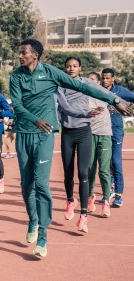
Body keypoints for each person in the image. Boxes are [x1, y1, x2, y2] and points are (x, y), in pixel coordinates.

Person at [9, 38, 132, 258]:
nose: (20, 56)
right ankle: (33, 221)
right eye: (20, 52)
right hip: (24, 133)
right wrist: (34, 119)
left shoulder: (51, 73)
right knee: (27, 185)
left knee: (42, 183)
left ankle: (44, 235)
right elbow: (17, 104)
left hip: (45, 134)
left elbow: (83, 86)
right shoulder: (16, 75)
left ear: (35, 55)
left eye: (23, 52)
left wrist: (114, 101)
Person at [56, 57, 117, 233]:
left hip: (84, 132)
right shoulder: (61, 86)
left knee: (84, 173)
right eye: (68, 66)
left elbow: (105, 92)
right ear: (64, 69)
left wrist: (120, 102)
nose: (71, 68)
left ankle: (83, 217)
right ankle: (70, 201)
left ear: (80, 68)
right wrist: (86, 112)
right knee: (68, 173)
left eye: (74, 66)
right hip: (67, 133)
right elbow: (66, 108)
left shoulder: (85, 84)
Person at [101, 68, 134, 207]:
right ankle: (109, 190)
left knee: (116, 161)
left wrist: (128, 107)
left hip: (116, 130)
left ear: (113, 79)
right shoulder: (98, 90)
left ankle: (119, 195)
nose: (105, 80)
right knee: (105, 163)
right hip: (102, 131)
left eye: (108, 78)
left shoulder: (121, 91)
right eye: (103, 78)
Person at [87, 72, 112, 217]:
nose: (89, 82)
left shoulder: (105, 94)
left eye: (92, 80)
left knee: (103, 170)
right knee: (90, 169)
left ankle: (106, 201)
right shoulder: (83, 95)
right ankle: (90, 197)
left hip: (105, 135)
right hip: (89, 135)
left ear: (97, 82)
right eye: (87, 80)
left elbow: (120, 100)